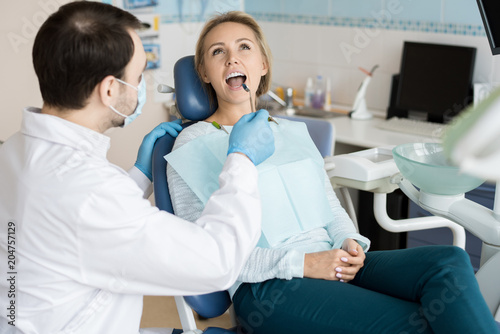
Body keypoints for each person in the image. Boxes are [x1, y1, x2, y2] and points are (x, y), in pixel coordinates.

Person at [166, 11, 500, 334]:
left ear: (262, 64)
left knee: (448, 262)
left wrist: (349, 241)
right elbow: (209, 255)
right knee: (427, 321)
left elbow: (331, 207)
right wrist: (305, 263)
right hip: (269, 287)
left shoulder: (290, 132)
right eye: (217, 52)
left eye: (244, 47)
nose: (232, 59)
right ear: (205, 72)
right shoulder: (193, 143)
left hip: (333, 258)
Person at [0, 3, 275, 334]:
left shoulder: (14, 150)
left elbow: (80, 230)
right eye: (140, 74)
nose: (143, 84)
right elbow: (216, 262)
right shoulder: (91, 193)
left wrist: (139, 176)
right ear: (110, 90)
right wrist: (242, 159)